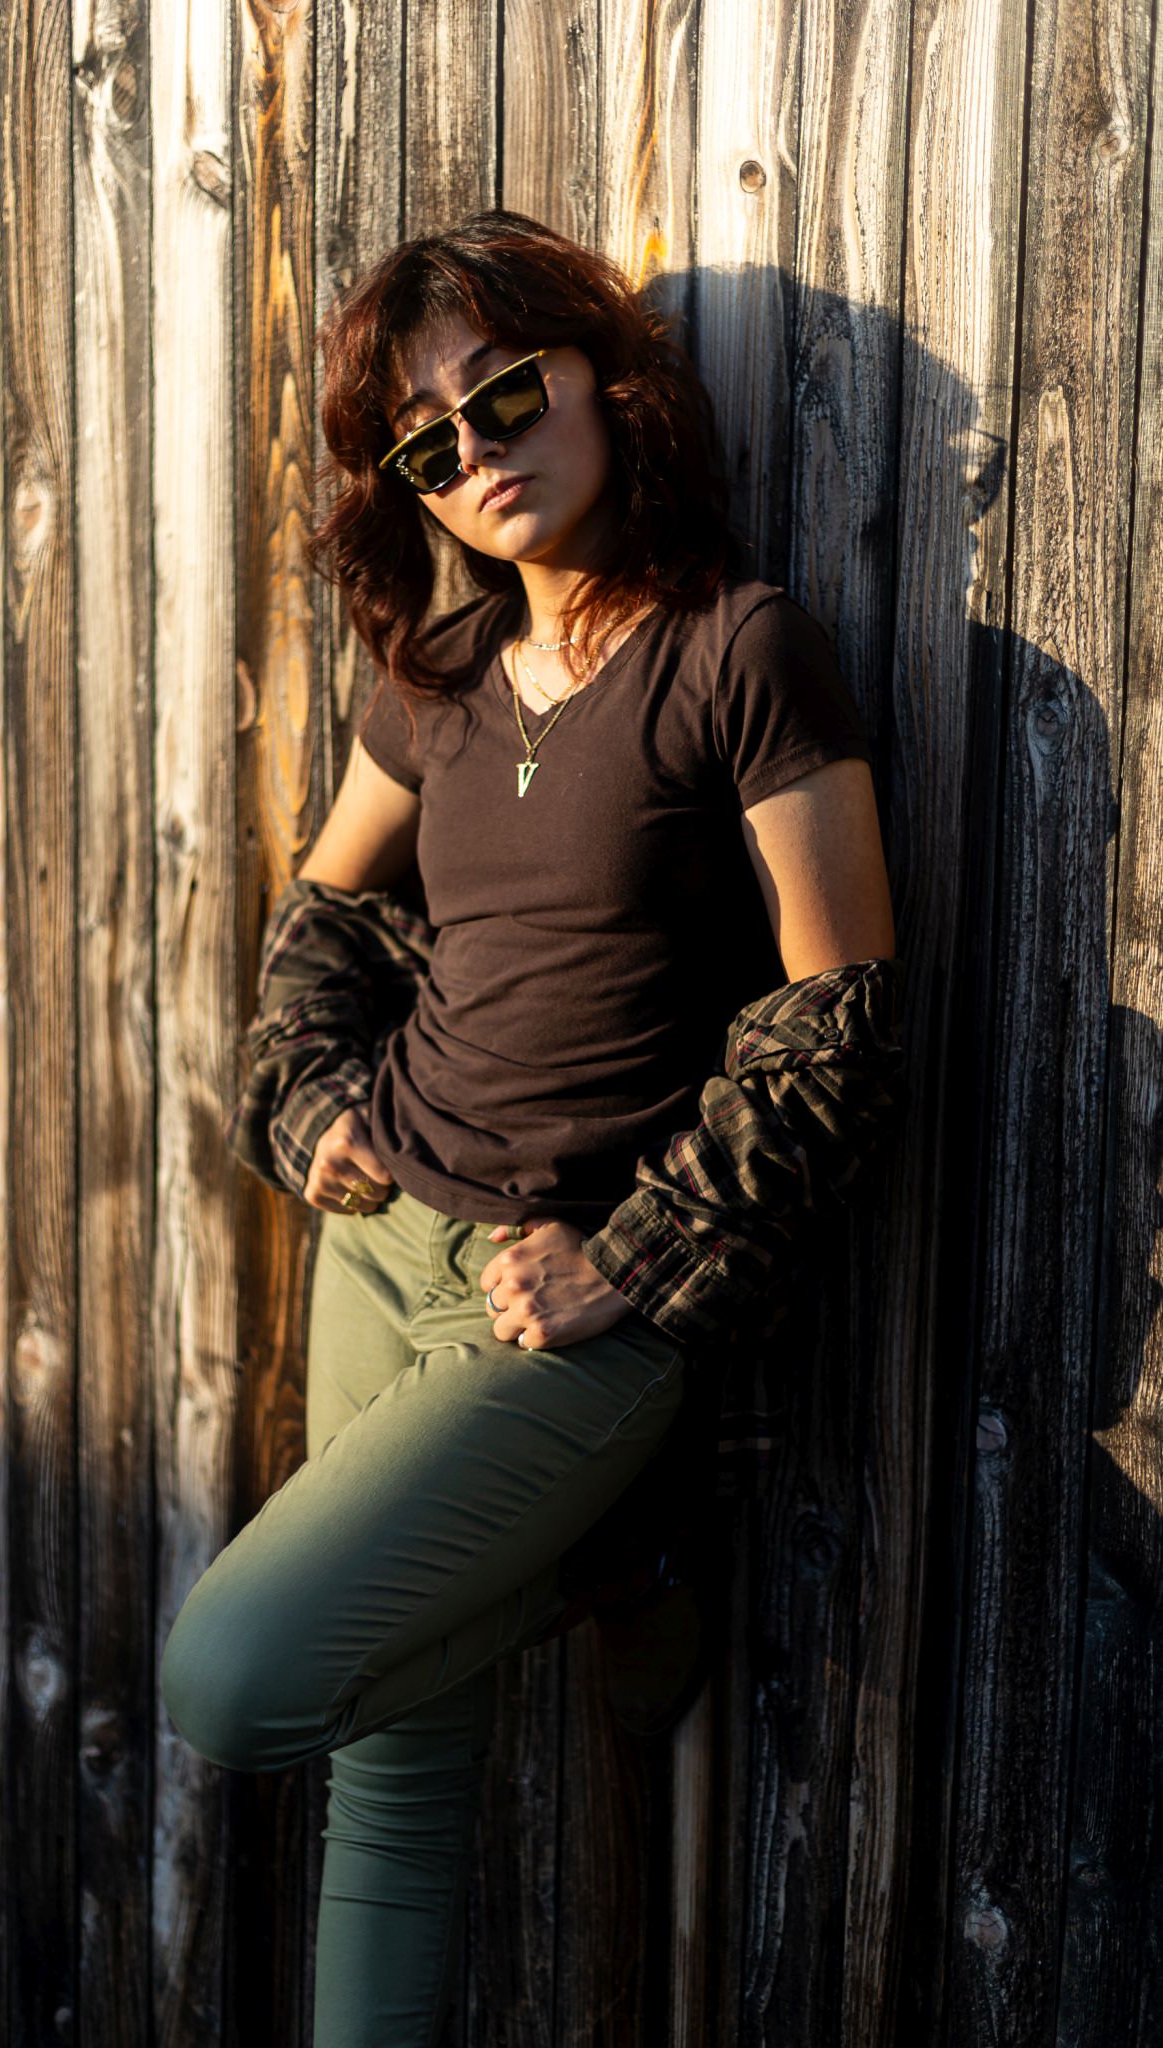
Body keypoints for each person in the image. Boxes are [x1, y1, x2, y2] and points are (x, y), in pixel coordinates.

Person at [159, 209, 903, 2048]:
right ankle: (612, 1569)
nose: (478, 452)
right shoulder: (439, 671)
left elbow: (836, 1017)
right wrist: (307, 1094)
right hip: (378, 1243)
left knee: (238, 1682)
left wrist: (636, 1256)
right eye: (429, 443)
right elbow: (322, 912)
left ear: (602, 380)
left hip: (566, 1302)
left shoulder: (737, 650)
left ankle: (613, 1555)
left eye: (504, 395)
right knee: (393, 1775)